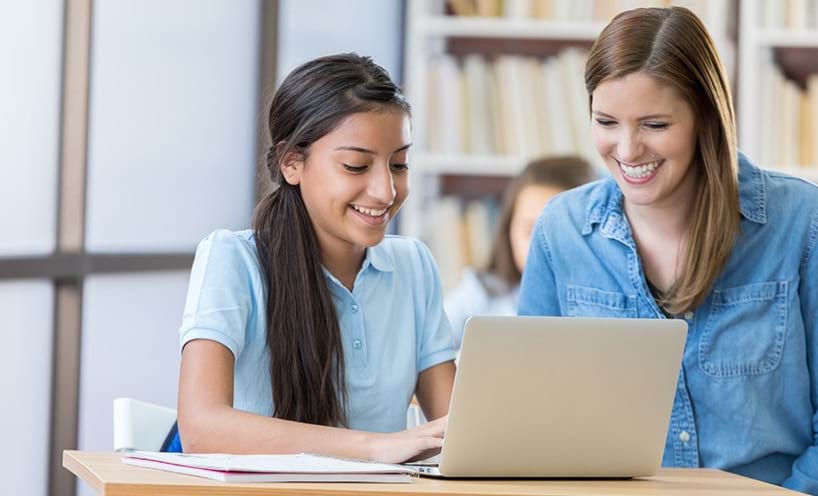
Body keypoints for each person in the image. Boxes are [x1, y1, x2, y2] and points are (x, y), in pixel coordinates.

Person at [518, 7, 818, 494]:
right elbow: (533, 418)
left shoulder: (800, 223)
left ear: (705, 118)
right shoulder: (563, 230)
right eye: (606, 121)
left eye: (654, 125)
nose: (628, 149)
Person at [170, 53, 456, 464]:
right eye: (356, 166)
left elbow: (459, 429)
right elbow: (201, 427)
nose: (386, 191)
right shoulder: (234, 259)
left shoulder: (414, 265)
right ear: (292, 163)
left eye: (399, 164)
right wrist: (377, 446)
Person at [445, 156, 596, 348]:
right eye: (529, 230)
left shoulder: (604, 304)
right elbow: (424, 351)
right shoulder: (480, 294)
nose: (541, 247)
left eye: (558, 232)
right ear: (509, 230)